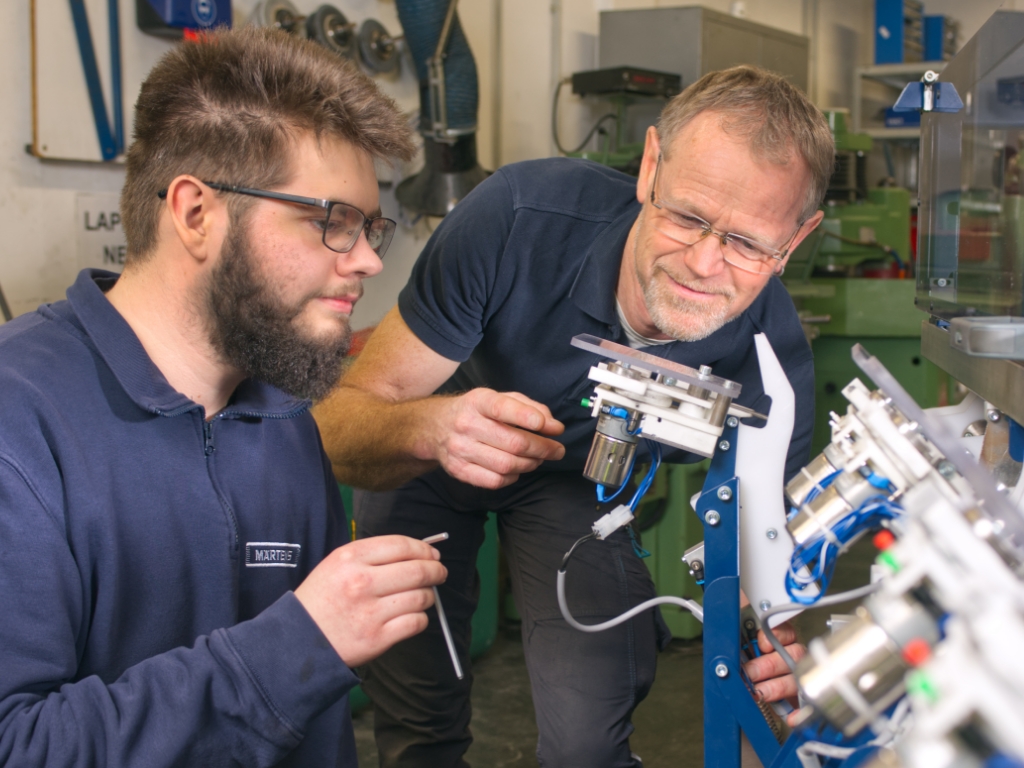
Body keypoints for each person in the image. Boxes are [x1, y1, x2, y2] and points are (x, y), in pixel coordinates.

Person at [314, 66, 833, 767]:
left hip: (575, 483)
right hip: (430, 443)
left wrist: (774, 649)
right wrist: (432, 428)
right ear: (651, 166)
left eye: (746, 243)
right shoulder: (518, 217)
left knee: (588, 735)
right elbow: (341, 425)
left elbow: (766, 564)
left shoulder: (769, 362)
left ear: (795, 240)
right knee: (417, 716)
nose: (705, 263)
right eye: (687, 217)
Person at [0, 27, 448, 768]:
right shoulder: (20, 425)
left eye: (370, 227)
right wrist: (296, 646)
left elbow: (317, 728)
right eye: (330, 221)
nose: (369, 260)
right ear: (196, 214)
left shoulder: (285, 414)